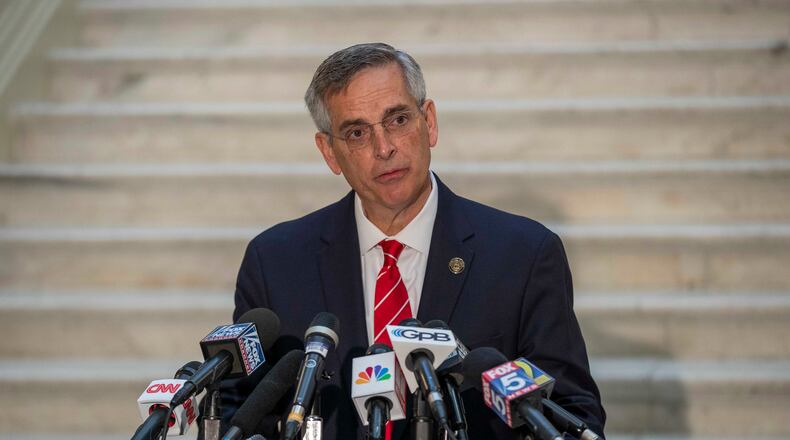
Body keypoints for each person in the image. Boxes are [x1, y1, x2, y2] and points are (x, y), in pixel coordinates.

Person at [229, 42, 605, 439]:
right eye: (357, 132)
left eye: (398, 120)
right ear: (330, 153)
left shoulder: (524, 254)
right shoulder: (275, 262)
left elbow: (568, 412)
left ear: (429, 122)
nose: (384, 148)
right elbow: (242, 411)